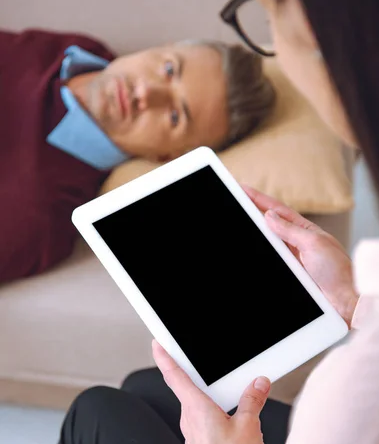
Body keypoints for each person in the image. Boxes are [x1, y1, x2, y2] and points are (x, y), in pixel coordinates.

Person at [42, 0, 379, 444]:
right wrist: (355, 304)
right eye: (167, 67)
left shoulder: (348, 433)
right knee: (147, 389)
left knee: (93, 418)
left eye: (259, 1)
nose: (146, 94)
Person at [0, 29, 273, 283]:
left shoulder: (41, 219)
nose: (145, 93)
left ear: (167, 156)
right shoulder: (81, 49)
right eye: (169, 69)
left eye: (175, 116)